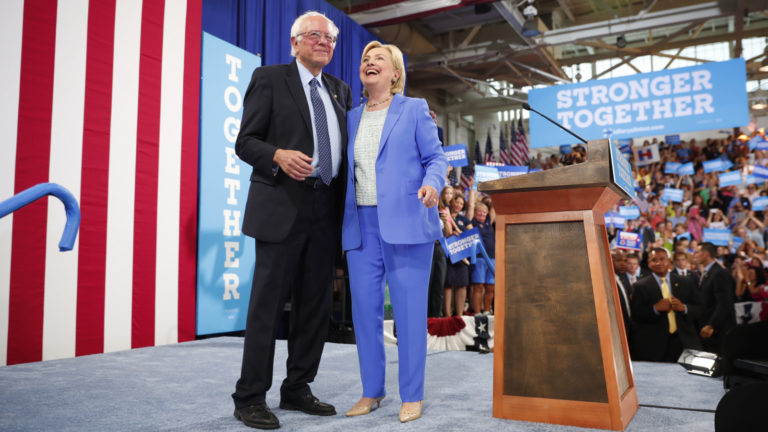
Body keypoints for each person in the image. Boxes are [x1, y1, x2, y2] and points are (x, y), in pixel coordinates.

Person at [231, 11, 353, 430]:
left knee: (314, 307)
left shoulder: (339, 89)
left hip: (325, 211)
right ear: (294, 42)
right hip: (281, 206)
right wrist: (278, 156)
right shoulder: (269, 78)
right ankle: (249, 397)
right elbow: (245, 142)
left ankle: (298, 387)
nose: (324, 42)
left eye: (330, 38)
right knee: (267, 306)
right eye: (315, 35)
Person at [341, 41, 448, 423]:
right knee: (364, 314)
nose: (369, 63)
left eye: (378, 60)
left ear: (395, 72)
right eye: (365, 59)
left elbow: (436, 158)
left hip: (407, 219)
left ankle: (412, 394)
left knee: (407, 313)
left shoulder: (414, 109)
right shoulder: (351, 117)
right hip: (361, 227)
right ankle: (372, 390)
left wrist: (433, 184)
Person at [630, 248, 702, 362]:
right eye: (654, 260)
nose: (658, 263)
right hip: (654, 346)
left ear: (669, 261)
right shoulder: (640, 286)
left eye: (662, 259)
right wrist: (655, 309)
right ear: (649, 263)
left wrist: (684, 308)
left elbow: (701, 309)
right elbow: (636, 315)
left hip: (684, 342)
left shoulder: (686, 282)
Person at [694, 242, 736, 354]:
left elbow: (725, 303)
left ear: (706, 254)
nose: (694, 254)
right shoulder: (709, 272)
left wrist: (712, 325)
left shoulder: (719, 273)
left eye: (697, 252)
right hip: (709, 329)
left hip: (718, 331)